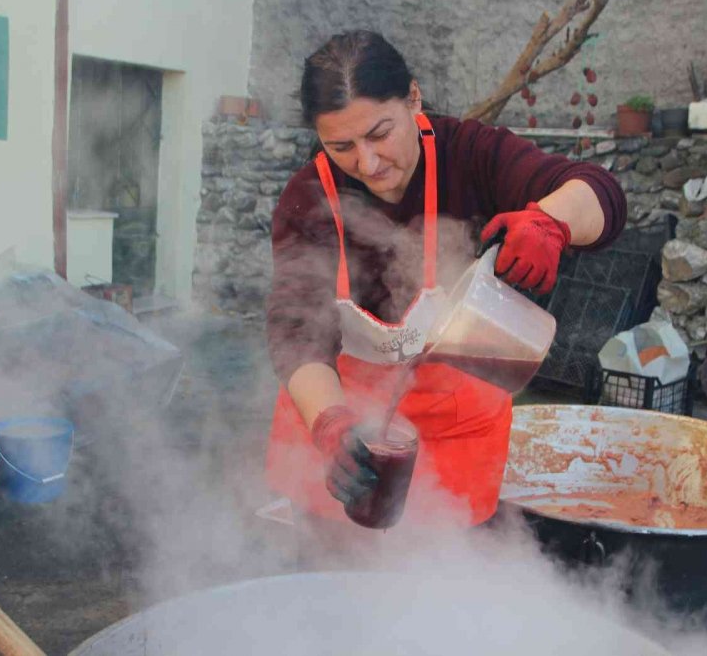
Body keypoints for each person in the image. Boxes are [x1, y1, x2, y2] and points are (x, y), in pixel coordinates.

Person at [264, 30, 626, 544]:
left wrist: (550, 222)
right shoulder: (307, 198)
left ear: (413, 99)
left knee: (448, 601)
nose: (367, 163)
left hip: (456, 442)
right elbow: (296, 332)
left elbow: (600, 191)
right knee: (330, 596)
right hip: (346, 443)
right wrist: (330, 429)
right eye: (341, 146)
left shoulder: (472, 155)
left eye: (380, 133)